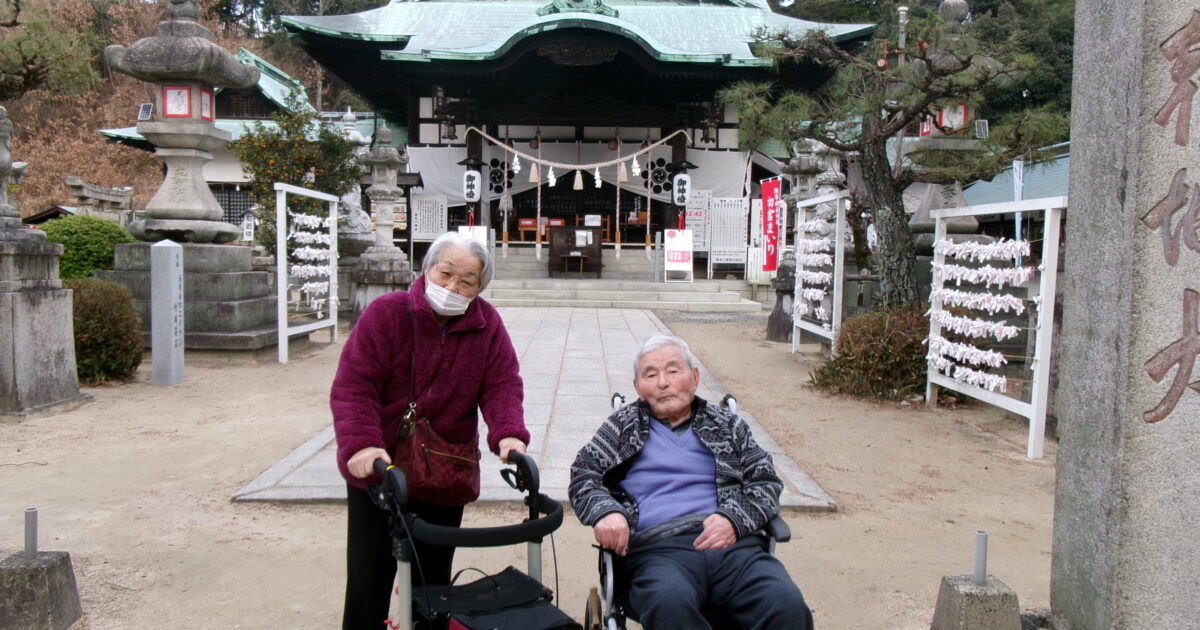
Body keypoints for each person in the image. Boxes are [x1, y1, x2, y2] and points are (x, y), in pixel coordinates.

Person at [331, 231, 529, 629]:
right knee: (369, 577)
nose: (453, 287)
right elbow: (355, 386)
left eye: (467, 281)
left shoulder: (487, 325)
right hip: (380, 470)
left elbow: (502, 383)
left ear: (479, 288)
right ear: (426, 269)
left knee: (433, 582)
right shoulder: (386, 313)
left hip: (444, 465)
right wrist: (362, 445)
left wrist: (508, 433)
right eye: (446, 274)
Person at [569, 333, 813, 630]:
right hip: (659, 551)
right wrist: (606, 511)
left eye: (673, 371)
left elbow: (765, 480)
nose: (663, 382)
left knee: (785, 605)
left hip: (735, 548)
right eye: (651, 374)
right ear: (637, 387)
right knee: (669, 604)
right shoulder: (622, 426)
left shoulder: (727, 425)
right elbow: (584, 473)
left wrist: (734, 519)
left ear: (694, 377)